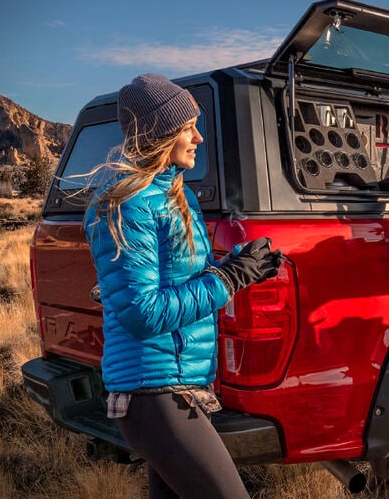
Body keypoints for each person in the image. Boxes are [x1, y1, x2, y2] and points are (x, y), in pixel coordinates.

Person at [83, 73, 282, 499]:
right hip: (152, 393)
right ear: (159, 135)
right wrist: (228, 279)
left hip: (182, 386)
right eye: (188, 127)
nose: (199, 137)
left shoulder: (176, 195)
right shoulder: (125, 205)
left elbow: (183, 277)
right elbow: (143, 312)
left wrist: (240, 265)